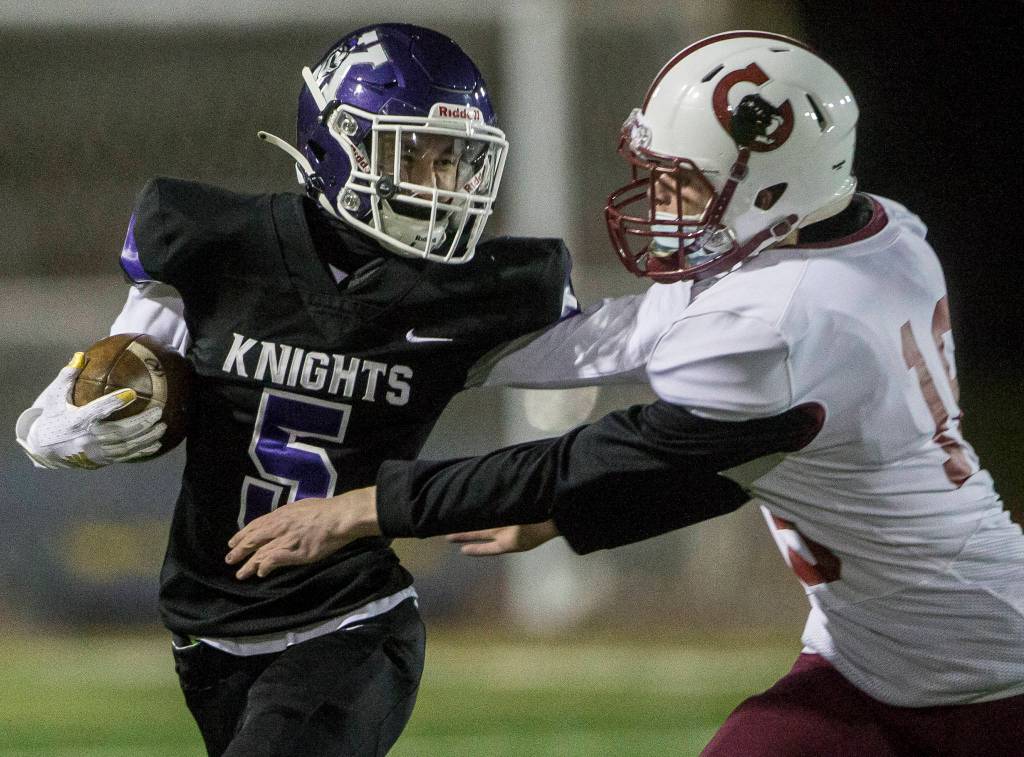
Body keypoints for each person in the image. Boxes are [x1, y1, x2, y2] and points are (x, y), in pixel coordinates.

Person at [225, 31, 1024, 756]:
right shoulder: (878, 236)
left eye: (682, 181)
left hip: (992, 668)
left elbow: (595, 453)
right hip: (873, 659)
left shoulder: (784, 321)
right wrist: (435, 347)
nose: (662, 201)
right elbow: (698, 433)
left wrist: (364, 507)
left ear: (776, 189)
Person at [15, 23, 575, 757]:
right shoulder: (217, 246)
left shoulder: (468, 293)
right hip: (208, 624)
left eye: (451, 161)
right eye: (412, 154)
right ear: (334, 143)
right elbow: (103, 374)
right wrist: (55, 429)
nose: (438, 184)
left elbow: (643, 355)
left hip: (354, 621)